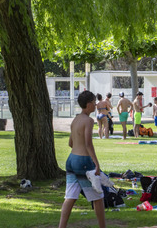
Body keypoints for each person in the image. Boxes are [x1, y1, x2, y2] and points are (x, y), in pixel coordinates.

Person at [59, 91, 106, 228]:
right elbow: (88, 144)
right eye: (94, 102)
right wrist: (96, 164)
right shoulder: (89, 120)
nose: (96, 105)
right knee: (98, 196)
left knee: (70, 196)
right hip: (83, 162)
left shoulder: (76, 119)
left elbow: (70, 143)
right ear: (89, 104)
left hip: (71, 160)